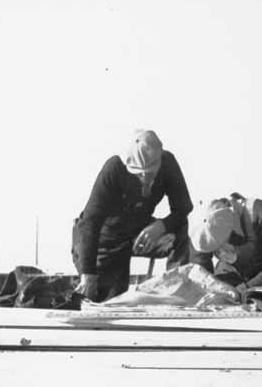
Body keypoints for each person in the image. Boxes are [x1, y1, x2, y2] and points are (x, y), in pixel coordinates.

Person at [71, 129, 193, 302]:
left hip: (140, 234)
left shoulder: (168, 163)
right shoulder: (114, 169)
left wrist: (161, 226)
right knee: (109, 302)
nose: (145, 177)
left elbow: (184, 207)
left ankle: (177, 291)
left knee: (179, 229)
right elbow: (90, 223)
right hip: (105, 240)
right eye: (139, 173)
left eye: (150, 172)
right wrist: (88, 274)